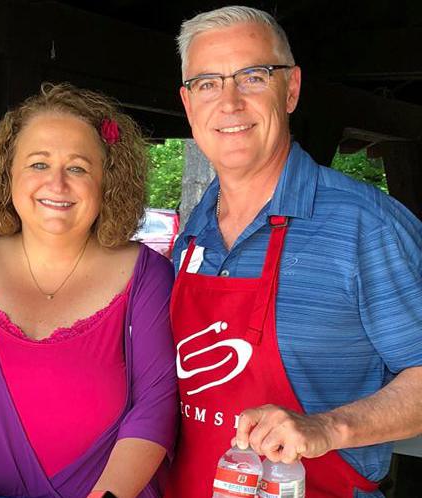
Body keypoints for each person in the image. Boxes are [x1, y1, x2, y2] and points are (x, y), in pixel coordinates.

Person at [165, 6, 422, 498]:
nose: (230, 102)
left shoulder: (365, 225)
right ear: (188, 102)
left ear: (292, 89)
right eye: (208, 83)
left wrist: (328, 428)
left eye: (253, 76)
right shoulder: (193, 232)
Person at [0, 82, 178, 498]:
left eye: (78, 167)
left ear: (108, 182)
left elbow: (155, 407)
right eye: (39, 164)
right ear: (7, 174)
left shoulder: (147, 277)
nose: (58, 184)